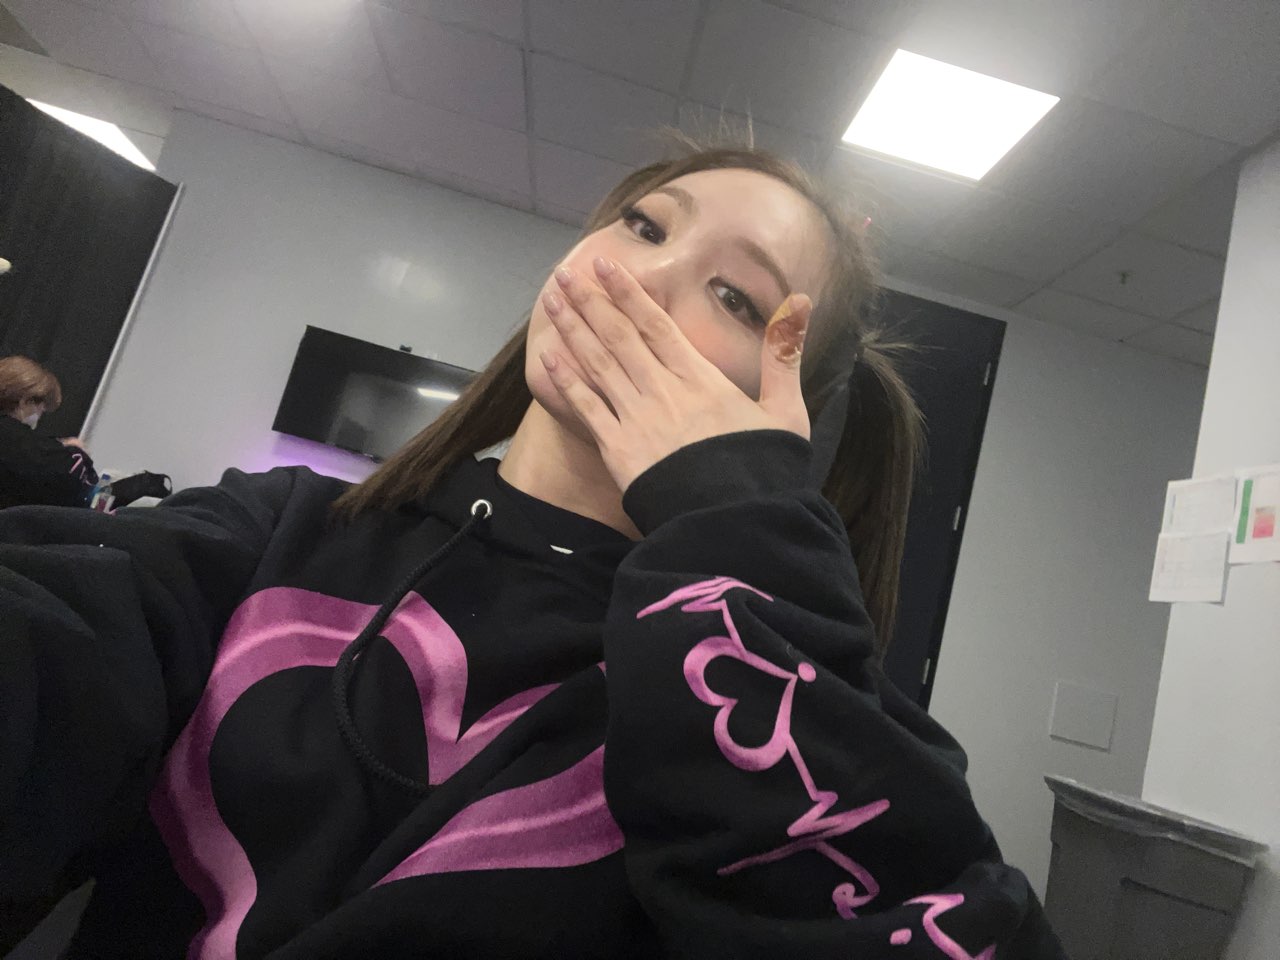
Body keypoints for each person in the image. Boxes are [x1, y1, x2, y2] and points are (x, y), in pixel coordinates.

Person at [0, 142, 1066, 959]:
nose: (642, 279)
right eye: (642, 226)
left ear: (779, 403)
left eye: (734, 296)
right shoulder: (279, 536)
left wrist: (737, 520)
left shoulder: (769, 685)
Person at [0, 355, 99, 509]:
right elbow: (71, 480)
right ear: (27, 401)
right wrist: (77, 452)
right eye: (41, 407)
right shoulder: (14, 439)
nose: (41, 414)